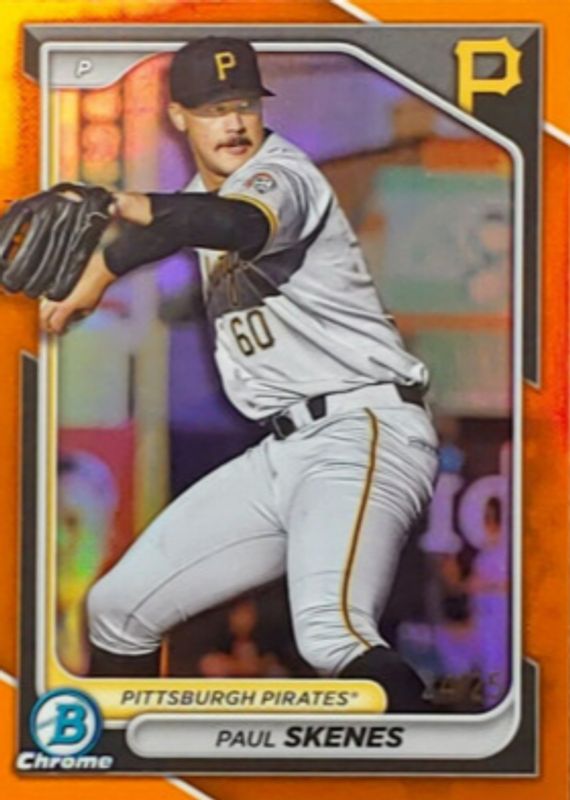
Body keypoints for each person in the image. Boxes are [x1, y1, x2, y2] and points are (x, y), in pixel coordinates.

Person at [40, 37, 439, 712]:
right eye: (212, 108)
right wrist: (95, 277)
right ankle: (129, 760)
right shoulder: (201, 194)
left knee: (331, 634)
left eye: (244, 104)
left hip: (363, 427)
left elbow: (233, 223)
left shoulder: (281, 176)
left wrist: (125, 203)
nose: (233, 122)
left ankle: (436, 758)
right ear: (178, 117)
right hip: (285, 451)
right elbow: (173, 225)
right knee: (116, 609)